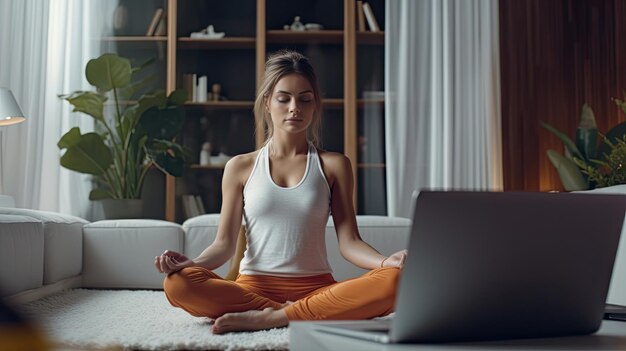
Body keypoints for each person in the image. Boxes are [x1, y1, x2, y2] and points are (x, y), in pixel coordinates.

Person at [154, 50, 408, 334]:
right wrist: (192, 264)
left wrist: (387, 262)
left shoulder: (335, 165)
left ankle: (271, 317)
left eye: (304, 99)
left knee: (398, 280)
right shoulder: (240, 166)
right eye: (283, 98)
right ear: (267, 103)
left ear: (315, 106)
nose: (294, 108)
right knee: (177, 283)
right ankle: (286, 313)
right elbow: (223, 244)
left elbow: (349, 242)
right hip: (251, 288)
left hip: (316, 289)